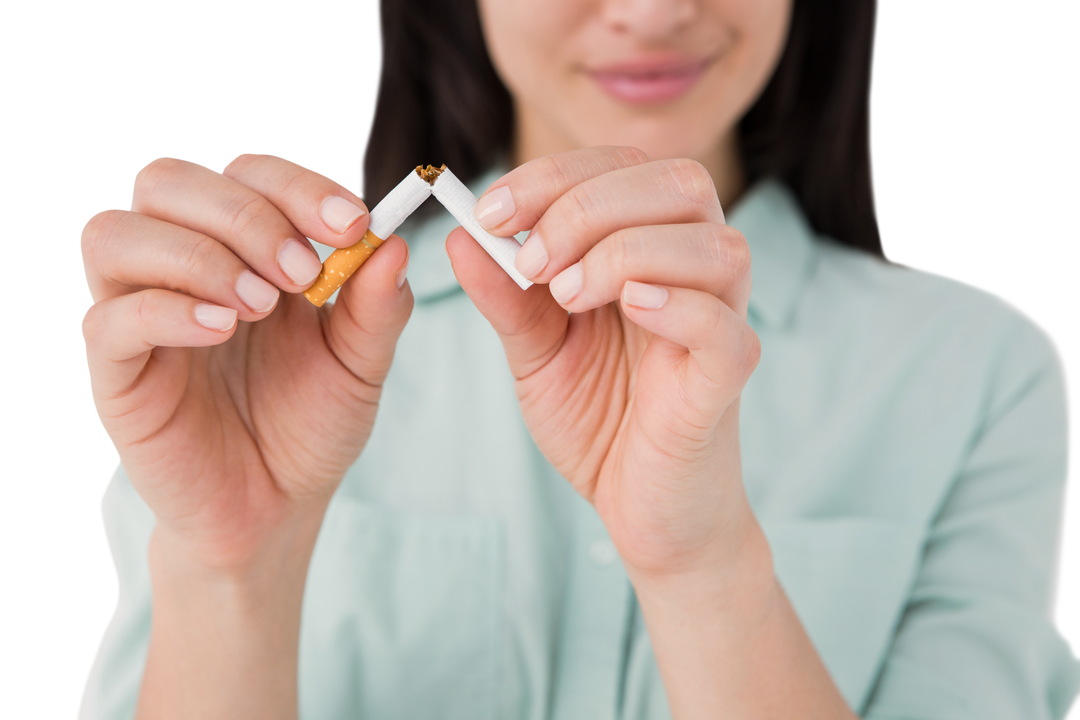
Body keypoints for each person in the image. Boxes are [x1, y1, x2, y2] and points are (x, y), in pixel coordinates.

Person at [75, 0, 1079, 718]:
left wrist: (706, 566)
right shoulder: (244, 348)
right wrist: (233, 567)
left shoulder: (980, 369)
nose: (652, 12)